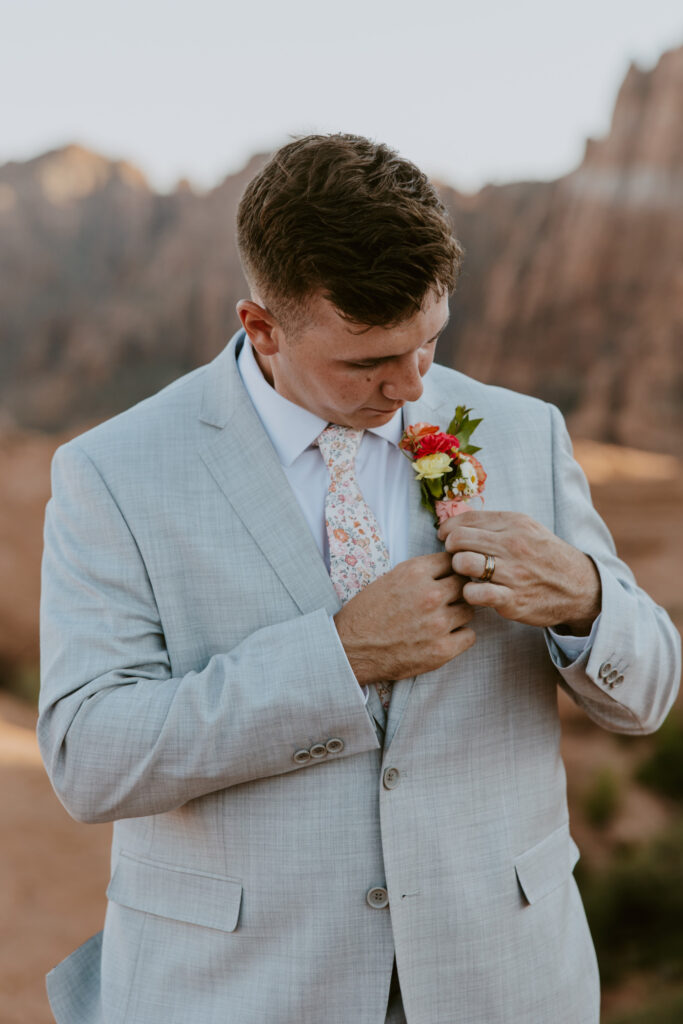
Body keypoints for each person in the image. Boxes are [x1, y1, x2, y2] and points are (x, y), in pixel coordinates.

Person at [38, 133, 680, 1024]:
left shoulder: (520, 432)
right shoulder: (113, 472)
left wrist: (584, 597)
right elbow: (88, 757)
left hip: (499, 983)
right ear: (260, 326)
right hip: (239, 993)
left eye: (428, 343)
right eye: (367, 363)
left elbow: (647, 693)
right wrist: (335, 660)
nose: (411, 385)